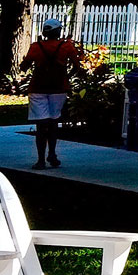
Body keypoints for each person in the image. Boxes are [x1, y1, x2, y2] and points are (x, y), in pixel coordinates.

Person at [22, 19, 80, 168]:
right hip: (59, 88)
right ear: (59, 31)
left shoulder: (36, 46)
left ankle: (40, 160)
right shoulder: (66, 46)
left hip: (38, 88)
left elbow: (24, 66)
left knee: (41, 126)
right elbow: (76, 66)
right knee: (54, 122)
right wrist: (67, 77)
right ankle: (52, 154)